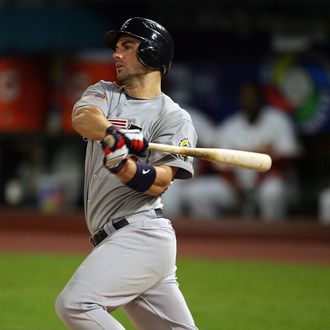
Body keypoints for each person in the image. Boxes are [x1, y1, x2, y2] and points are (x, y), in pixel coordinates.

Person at [55, 17, 198, 329]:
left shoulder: (174, 118)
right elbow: (84, 118)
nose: (116, 55)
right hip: (115, 239)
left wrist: (125, 166)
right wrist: (113, 135)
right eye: (117, 48)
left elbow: (159, 182)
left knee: (77, 305)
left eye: (128, 47)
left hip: (142, 235)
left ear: (153, 53)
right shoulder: (105, 93)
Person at [184, 81, 301, 221]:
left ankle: (272, 239)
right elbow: (220, 165)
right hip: (236, 185)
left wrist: (261, 174)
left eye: (253, 98)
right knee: (197, 193)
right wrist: (235, 185)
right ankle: (215, 239)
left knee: (272, 192)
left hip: (270, 181)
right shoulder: (230, 126)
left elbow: (288, 156)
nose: (249, 102)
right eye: (245, 99)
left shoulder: (278, 120)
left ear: (261, 100)